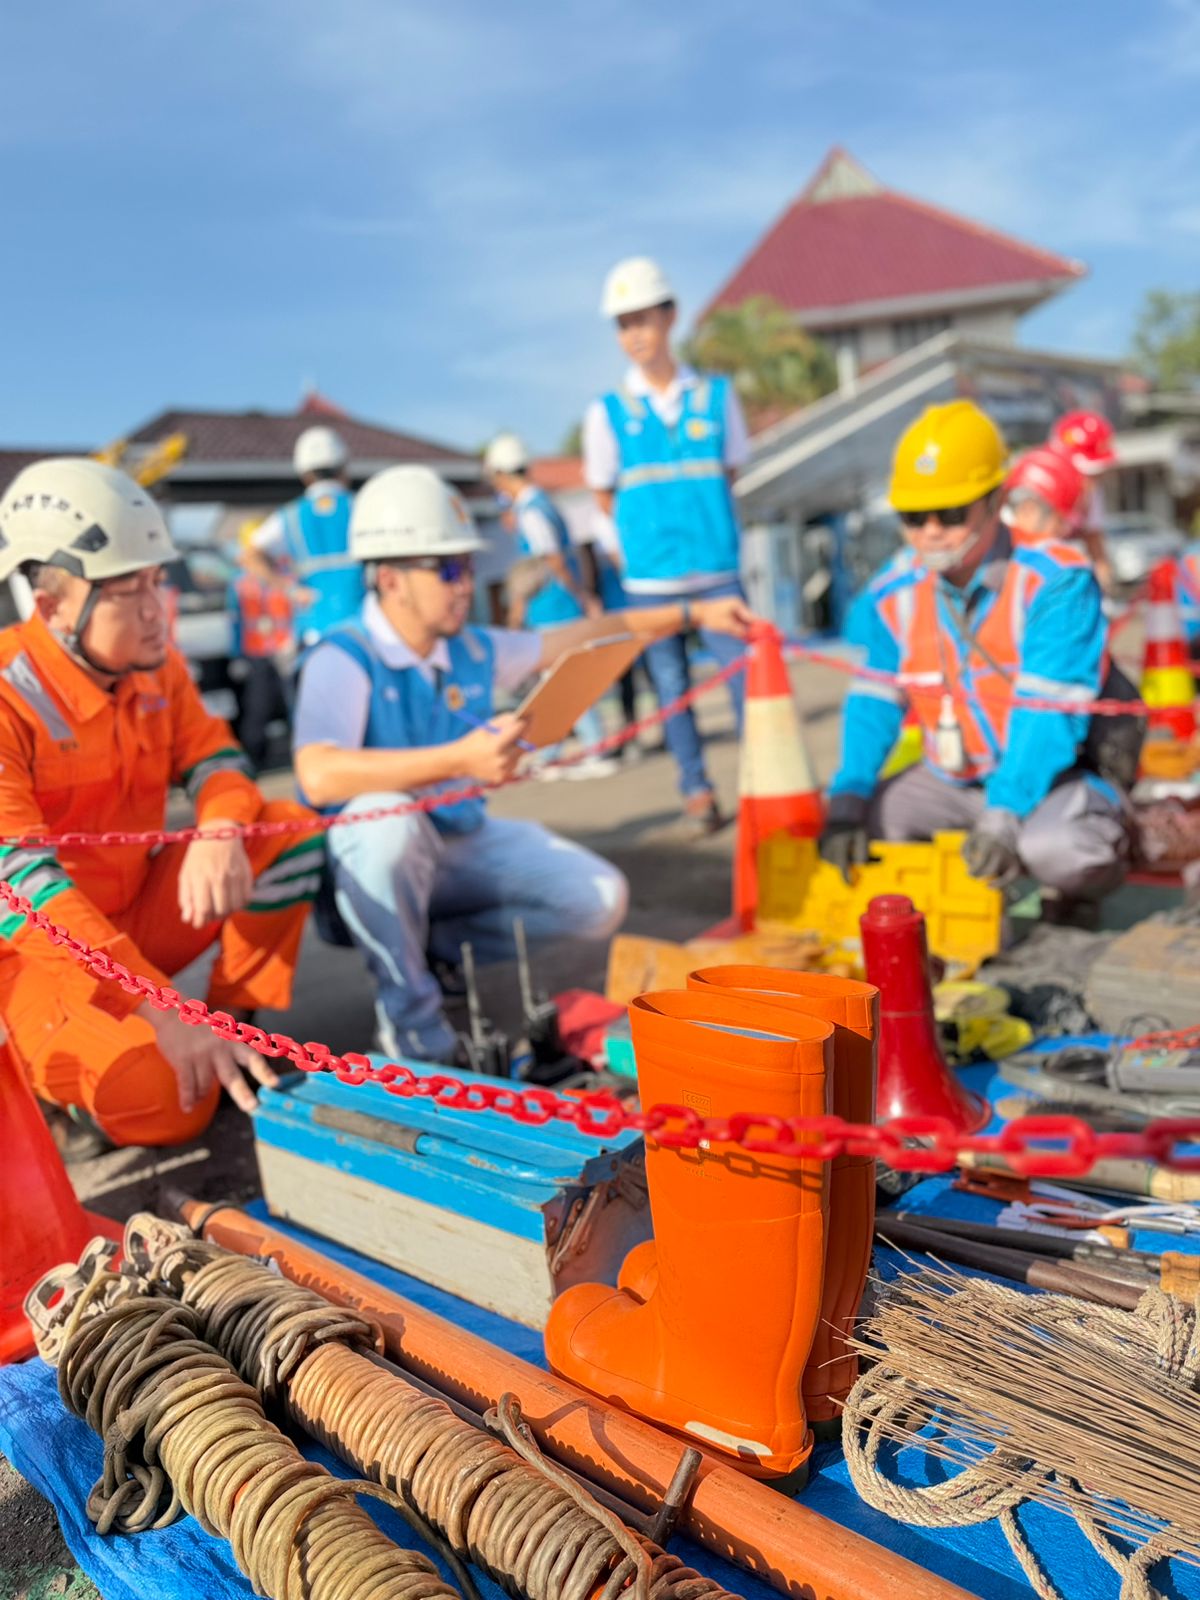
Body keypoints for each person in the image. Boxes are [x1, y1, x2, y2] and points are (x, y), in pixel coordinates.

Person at [293, 463, 757, 1062]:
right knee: (386, 821)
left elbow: (592, 633)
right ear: (390, 579)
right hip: (374, 859)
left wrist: (694, 615)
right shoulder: (344, 657)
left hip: (456, 841)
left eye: (467, 566)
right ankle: (412, 1022)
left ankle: (433, 948)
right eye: (448, 569)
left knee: (597, 900)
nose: (466, 584)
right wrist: (459, 759)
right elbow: (318, 774)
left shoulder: (471, 647)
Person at [0, 459, 322, 1148]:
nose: (156, 608)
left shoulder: (156, 668)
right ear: (53, 608)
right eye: (128, 590)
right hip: (38, 964)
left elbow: (221, 762)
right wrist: (161, 1007)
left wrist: (220, 829)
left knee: (288, 830)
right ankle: (53, 1088)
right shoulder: (5, 695)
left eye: (156, 581)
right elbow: (26, 893)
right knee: (170, 1101)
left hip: (134, 917)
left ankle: (232, 1030)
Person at [819, 401, 1130, 922]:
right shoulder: (892, 592)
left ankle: (1090, 867)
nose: (931, 532)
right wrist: (847, 800)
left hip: (1055, 775)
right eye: (913, 518)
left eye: (951, 514)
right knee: (870, 827)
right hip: (952, 778)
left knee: (1063, 852)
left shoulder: (1056, 580)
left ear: (995, 501)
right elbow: (873, 701)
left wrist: (1004, 813)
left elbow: (1047, 715)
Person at [583, 256, 751, 835]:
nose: (634, 334)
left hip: (717, 571)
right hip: (651, 582)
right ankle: (696, 789)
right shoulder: (606, 413)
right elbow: (603, 495)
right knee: (673, 691)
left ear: (670, 317)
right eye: (623, 324)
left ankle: (761, 786)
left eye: (643, 320)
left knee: (745, 681)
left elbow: (729, 473)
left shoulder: (717, 397)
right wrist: (634, 549)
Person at [483, 432, 618, 780]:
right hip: (556, 607)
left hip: (553, 609)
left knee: (563, 684)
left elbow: (552, 560)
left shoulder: (532, 511)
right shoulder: (540, 503)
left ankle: (592, 748)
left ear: (502, 474)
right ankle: (553, 752)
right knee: (553, 686)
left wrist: (578, 595)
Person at [251, 425, 363, 646]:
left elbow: (249, 556)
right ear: (344, 468)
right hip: (364, 628)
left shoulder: (289, 516)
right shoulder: (361, 505)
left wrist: (289, 589)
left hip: (315, 630)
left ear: (305, 475)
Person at [229, 520, 296, 772]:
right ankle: (254, 760)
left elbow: (296, 609)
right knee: (257, 708)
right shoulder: (239, 582)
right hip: (256, 654)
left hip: (286, 650)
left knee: (294, 704)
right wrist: (237, 655)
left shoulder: (286, 575)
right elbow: (235, 621)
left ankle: (300, 753)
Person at [1046, 409, 1117, 593]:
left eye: (1096, 475)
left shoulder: (1093, 492)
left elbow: (1094, 538)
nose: (1090, 483)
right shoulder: (1042, 490)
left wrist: (1105, 582)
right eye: (1086, 473)